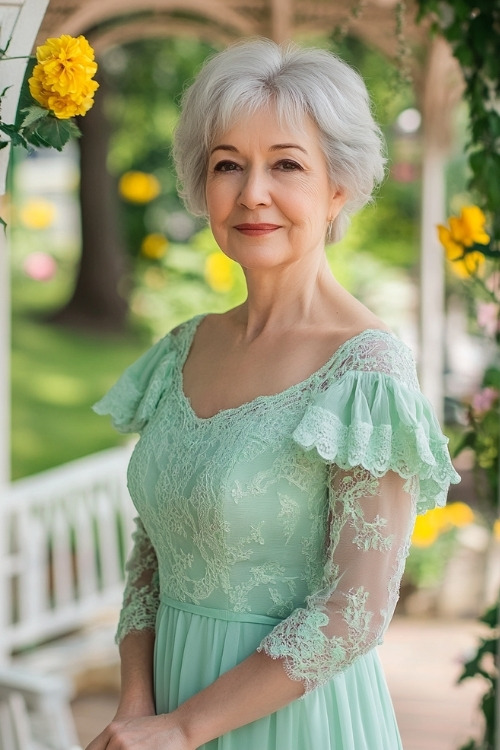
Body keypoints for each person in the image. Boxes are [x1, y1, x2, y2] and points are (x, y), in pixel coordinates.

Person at [88, 38, 460, 750]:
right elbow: (153, 549)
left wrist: (186, 725)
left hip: (293, 724)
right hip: (161, 720)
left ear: (339, 187)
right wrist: (139, 709)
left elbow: (355, 611)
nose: (252, 192)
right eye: (229, 164)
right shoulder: (183, 348)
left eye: (286, 164)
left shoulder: (367, 372)